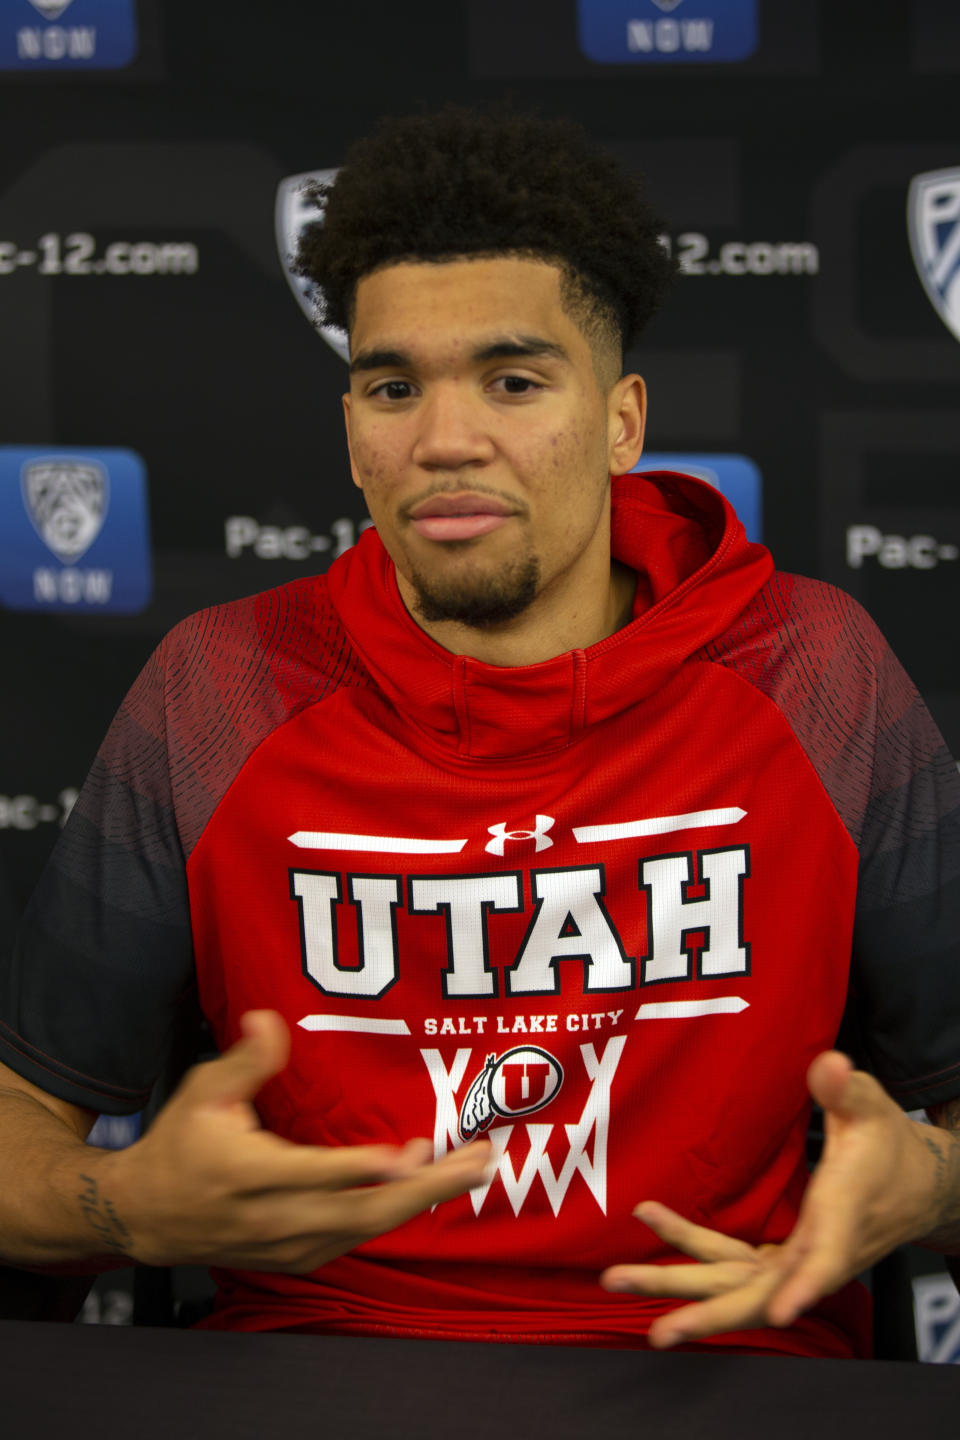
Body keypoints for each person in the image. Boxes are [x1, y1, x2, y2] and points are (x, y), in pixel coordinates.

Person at [1, 106, 959, 1359]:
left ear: (620, 422)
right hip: (315, 1369)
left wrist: (927, 1187)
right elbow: (26, 1122)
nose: (445, 443)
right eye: (393, 386)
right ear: (351, 430)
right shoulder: (221, 687)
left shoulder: (813, 671)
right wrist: (123, 1206)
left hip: (726, 1361)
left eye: (514, 381)